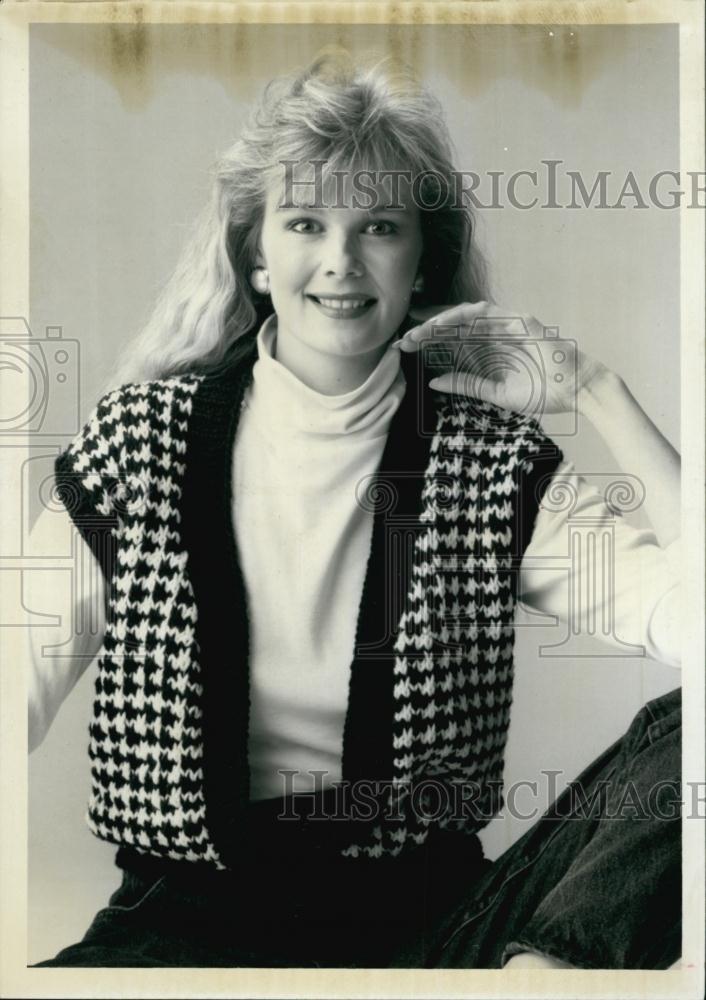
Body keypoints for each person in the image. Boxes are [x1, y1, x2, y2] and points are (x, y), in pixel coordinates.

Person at [28, 50, 681, 969]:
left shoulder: (487, 466)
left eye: (378, 226)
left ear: (422, 262)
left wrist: (599, 390)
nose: (340, 261)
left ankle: (549, 973)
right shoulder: (139, 447)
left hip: (435, 936)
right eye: (304, 222)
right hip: (181, 935)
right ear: (257, 257)